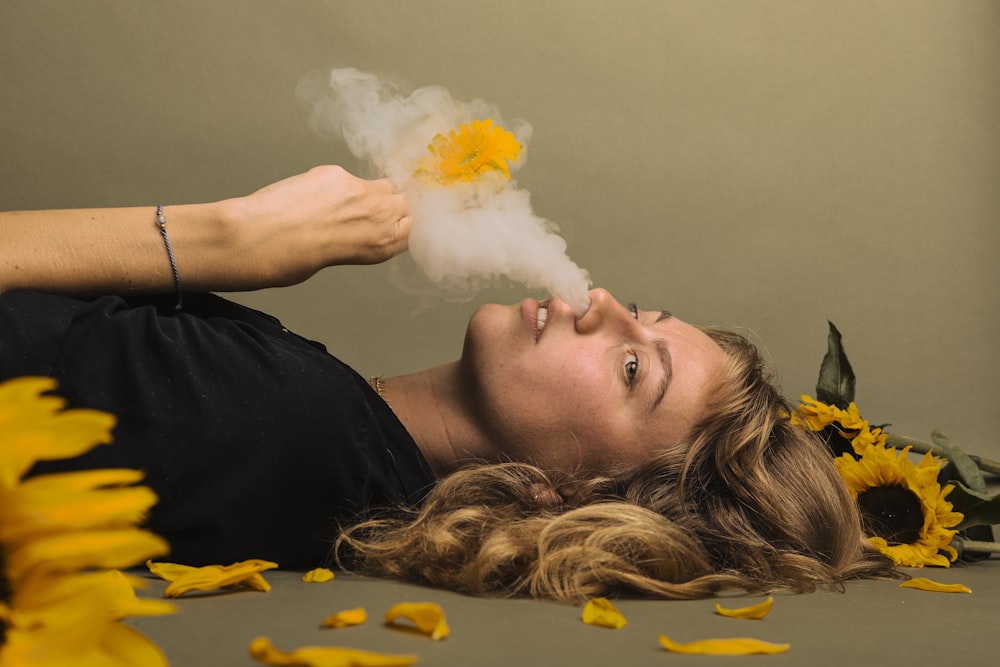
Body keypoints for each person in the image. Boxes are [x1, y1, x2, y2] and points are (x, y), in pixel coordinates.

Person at [0, 166, 893, 602]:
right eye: (643, 313)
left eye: (633, 368)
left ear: (572, 497)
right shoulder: (331, 429)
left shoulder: (288, 422)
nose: (606, 303)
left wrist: (225, 237)